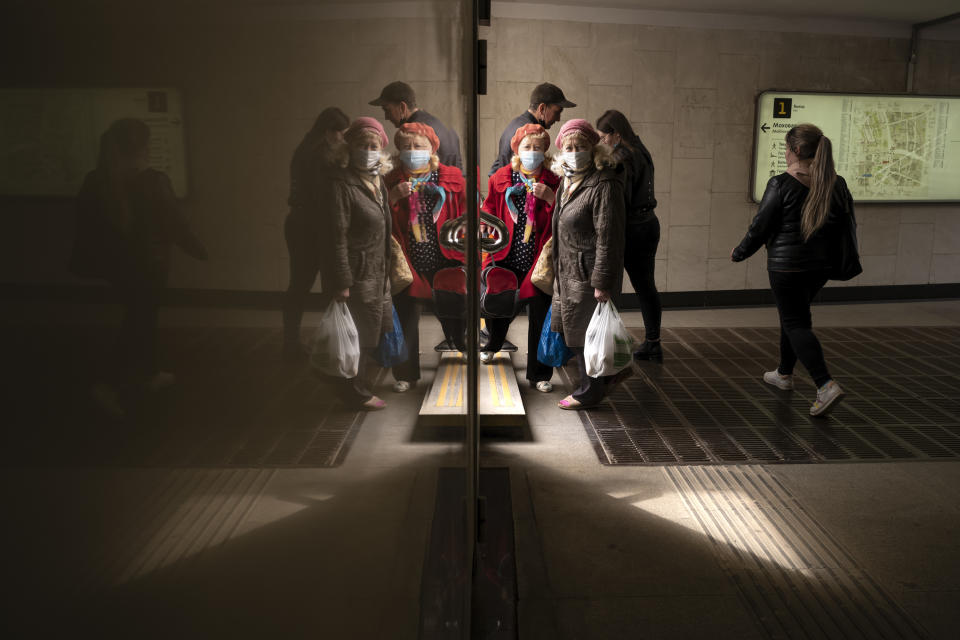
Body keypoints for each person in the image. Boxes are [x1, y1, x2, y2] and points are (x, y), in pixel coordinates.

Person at [70, 118, 208, 416]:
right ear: (144, 147)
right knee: (139, 320)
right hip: (150, 263)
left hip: (118, 266)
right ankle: (107, 384)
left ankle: (149, 372)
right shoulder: (153, 181)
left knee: (141, 315)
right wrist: (200, 251)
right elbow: (174, 223)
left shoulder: (96, 180)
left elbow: (87, 225)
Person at [731, 123, 852, 417]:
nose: (785, 154)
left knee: (796, 322)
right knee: (795, 316)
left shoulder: (781, 184)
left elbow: (761, 226)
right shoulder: (836, 183)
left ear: (796, 150)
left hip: (787, 267)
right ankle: (783, 374)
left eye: (786, 148)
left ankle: (825, 384)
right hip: (820, 267)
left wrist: (741, 251)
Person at [549, 119, 625, 410]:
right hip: (568, 271)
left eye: (580, 146)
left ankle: (589, 392)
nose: (574, 151)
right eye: (568, 146)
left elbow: (610, 236)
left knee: (584, 336)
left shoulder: (603, 182)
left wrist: (602, 282)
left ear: (593, 148)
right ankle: (606, 378)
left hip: (587, 272)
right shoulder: (567, 180)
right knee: (575, 333)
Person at [385, 122, 467, 392]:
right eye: (406, 146)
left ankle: (462, 346)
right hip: (408, 257)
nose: (412, 151)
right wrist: (392, 198)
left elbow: (468, 213)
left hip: (445, 255)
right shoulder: (392, 179)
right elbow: (379, 218)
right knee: (406, 312)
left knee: (453, 307)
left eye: (418, 146)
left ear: (431, 148)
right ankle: (406, 374)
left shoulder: (451, 176)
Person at [321, 117, 394, 411]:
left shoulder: (376, 181)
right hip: (356, 271)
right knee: (358, 334)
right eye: (361, 145)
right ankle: (354, 392)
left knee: (368, 333)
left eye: (373, 145)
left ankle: (352, 385)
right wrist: (341, 282)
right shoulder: (341, 184)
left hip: (376, 271)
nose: (367, 150)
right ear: (348, 148)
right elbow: (335, 235)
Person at [481, 123, 560, 393]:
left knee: (539, 315)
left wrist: (551, 199)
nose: (533, 152)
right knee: (499, 306)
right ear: (517, 150)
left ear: (545, 151)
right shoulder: (501, 177)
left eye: (538, 148)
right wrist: (485, 229)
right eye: (527, 147)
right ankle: (493, 344)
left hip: (539, 260)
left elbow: (562, 220)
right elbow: (490, 206)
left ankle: (539, 374)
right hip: (506, 255)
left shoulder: (554, 180)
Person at [282, 107, 350, 360]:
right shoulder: (321, 154)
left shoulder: (304, 148)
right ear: (329, 131)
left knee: (298, 284)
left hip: (298, 222)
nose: (342, 139)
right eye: (340, 134)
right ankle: (328, 345)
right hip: (314, 225)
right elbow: (325, 197)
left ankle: (291, 341)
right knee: (324, 284)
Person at [596, 109, 663, 363]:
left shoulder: (622, 157)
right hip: (649, 224)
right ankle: (653, 342)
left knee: (608, 285)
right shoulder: (640, 148)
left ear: (615, 133)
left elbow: (618, 200)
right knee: (646, 286)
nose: (603, 141)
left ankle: (604, 343)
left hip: (631, 228)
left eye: (604, 136)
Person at [370, 81, 463, 170]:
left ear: (402, 107)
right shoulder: (433, 122)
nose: (386, 117)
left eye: (387, 110)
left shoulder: (415, 131)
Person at [489, 82, 575, 176]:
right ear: (542, 108)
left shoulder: (515, 124)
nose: (558, 119)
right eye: (557, 112)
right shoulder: (529, 134)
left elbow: (494, 169)